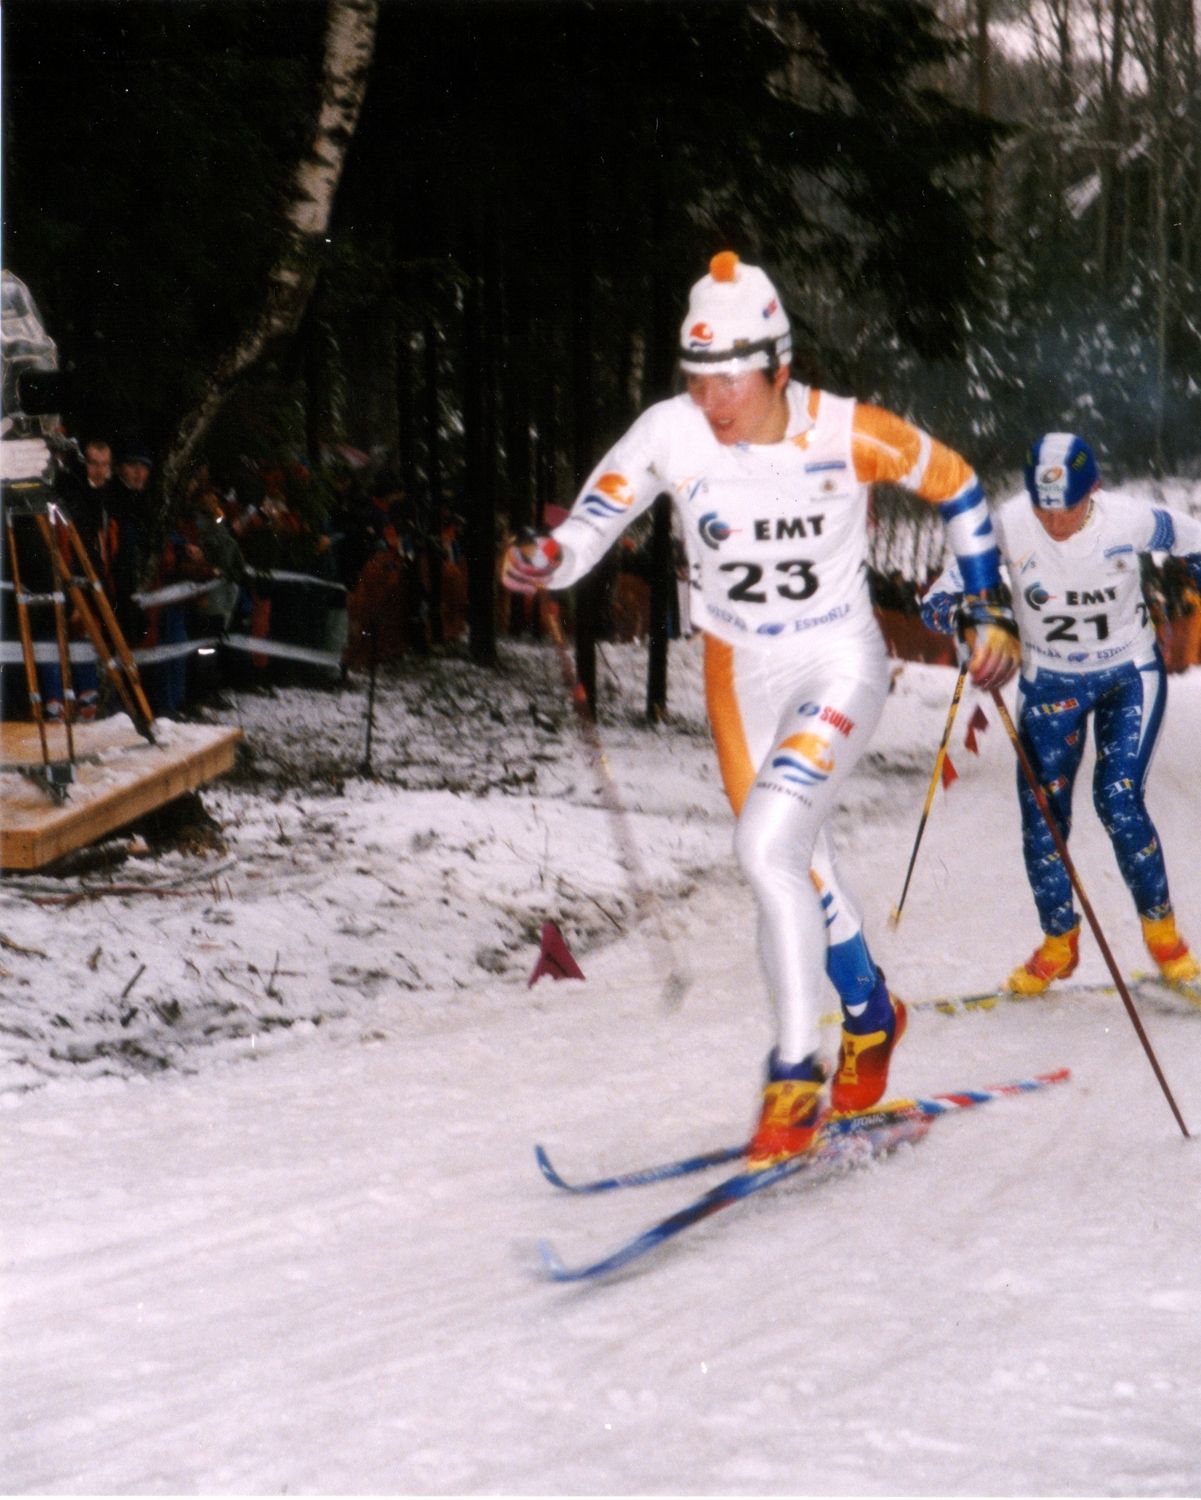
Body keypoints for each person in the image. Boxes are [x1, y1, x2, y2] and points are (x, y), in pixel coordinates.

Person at [501, 250, 1019, 1167]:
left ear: (779, 366)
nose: (711, 400)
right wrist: (549, 557)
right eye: (696, 378)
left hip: (835, 660)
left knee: (765, 848)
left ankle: (793, 1071)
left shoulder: (845, 431)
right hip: (737, 672)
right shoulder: (671, 431)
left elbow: (960, 488)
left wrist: (986, 607)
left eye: (729, 379)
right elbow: (594, 519)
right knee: (794, 860)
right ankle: (871, 1011)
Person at [921, 432, 1201, 992]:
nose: (1054, 521)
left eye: (1067, 506)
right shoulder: (1005, 523)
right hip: (1050, 678)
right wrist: (977, 619)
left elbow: (1195, 541)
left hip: (1128, 674)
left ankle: (1165, 939)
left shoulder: (1129, 519)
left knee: (1118, 799)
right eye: (1042, 506)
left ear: (1091, 491)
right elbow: (936, 602)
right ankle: (1058, 943)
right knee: (1043, 815)